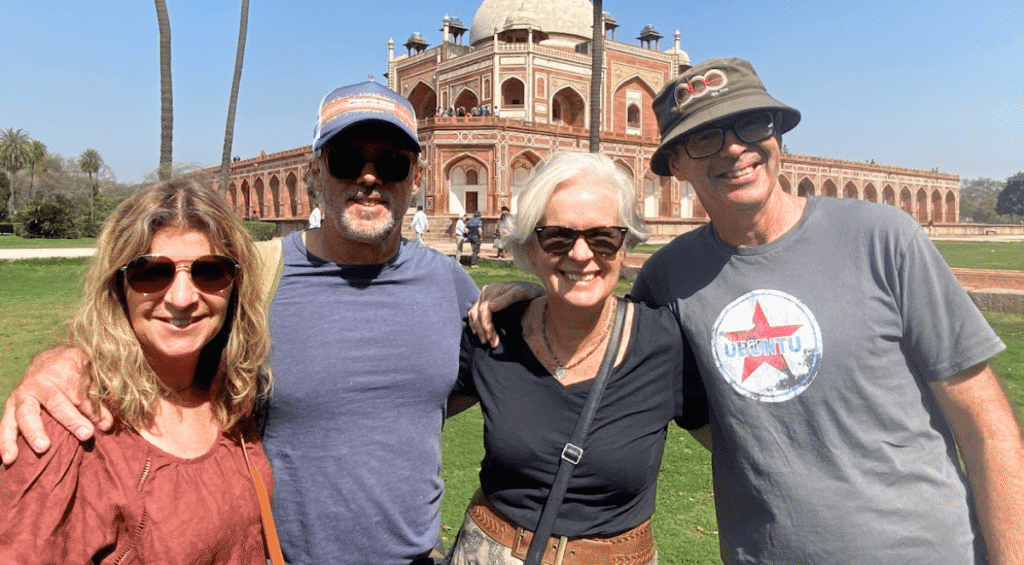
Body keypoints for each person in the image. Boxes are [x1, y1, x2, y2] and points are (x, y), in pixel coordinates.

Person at [471, 58, 1024, 564]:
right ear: (675, 164)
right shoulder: (670, 278)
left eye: (753, 125)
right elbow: (602, 323)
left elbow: (987, 427)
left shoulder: (883, 239)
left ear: (777, 137)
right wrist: (535, 294)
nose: (734, 149)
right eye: (704, 137)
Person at [2, 81, 480, 565]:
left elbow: (481, 378)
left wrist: (517, 295)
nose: (369, 177)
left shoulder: (450, 284)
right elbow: (161, 322)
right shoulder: (252, 275)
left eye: (392, 163)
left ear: (417, 178)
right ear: (314, 173)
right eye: (346, 160)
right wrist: (65, 361)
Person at [447, 151, 707, 565]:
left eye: (603, 237)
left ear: (625, 246)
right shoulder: (495, 333)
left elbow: (746, 447)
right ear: (530, 247)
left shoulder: (664, 346)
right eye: (557, 237)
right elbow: (405, 416)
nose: (582, 254)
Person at [0, 177, 274, 563]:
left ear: (234, 286)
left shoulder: (233, 395)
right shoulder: (69, 423)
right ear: (118, 284)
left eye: (210, 272)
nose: (182, 298)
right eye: (152, 272)